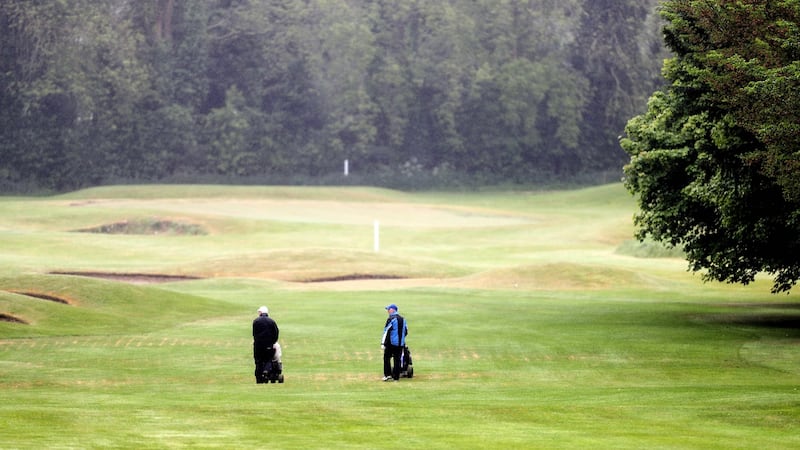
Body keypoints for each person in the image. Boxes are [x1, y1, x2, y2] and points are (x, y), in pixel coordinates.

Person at [253, 305, 279, 384]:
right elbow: (276, 333)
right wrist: (273, 342)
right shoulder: (271, 321)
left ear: (261, 312)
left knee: (258, 361)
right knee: (268, 359)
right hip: (268, 345)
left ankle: (259, 379)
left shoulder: (256, 321)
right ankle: (266, 371)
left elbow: (254, 334)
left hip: (258, 345)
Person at [381, 303, 408, 382]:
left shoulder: (391, 319)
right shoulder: (403, 319)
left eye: (388, 310)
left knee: (386, 358)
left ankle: (387, 375)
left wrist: (382, 343)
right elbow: (406, 332)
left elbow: (386, 331)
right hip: (400, 344)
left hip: (391, 343)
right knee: (397, 360)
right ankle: (396, 378)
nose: (388, 311)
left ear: (392, 310)